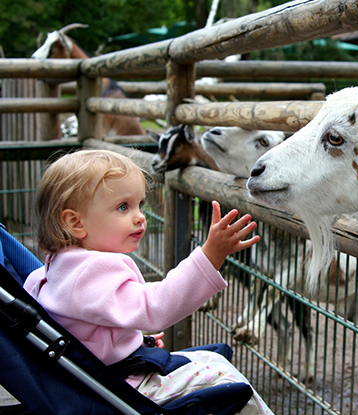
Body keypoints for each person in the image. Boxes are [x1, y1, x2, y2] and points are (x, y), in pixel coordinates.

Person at [24, 149, 273, 414]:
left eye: (140, 204)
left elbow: (88, 331)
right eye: (123, 207)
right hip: (122, 387)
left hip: (96, 379)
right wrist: (210, 255)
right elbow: (156, 307)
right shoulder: (90, 272)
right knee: (226, 377)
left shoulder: (51, 271)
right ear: (75, 222)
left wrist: (131, 341)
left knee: (211, 359)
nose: (140, 216)